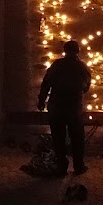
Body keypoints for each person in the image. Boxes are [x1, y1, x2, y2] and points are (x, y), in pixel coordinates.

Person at [37, 40, 91, 176]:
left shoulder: (57, 65)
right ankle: (78, 165)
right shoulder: (82, 67)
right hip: (73, 107)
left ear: (65, 51)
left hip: (56, 106)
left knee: (58, 137)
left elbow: (46, 83)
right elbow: (86, 87)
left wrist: (42, 100)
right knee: (77, 137)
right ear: (78, 51)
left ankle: (61, 165)